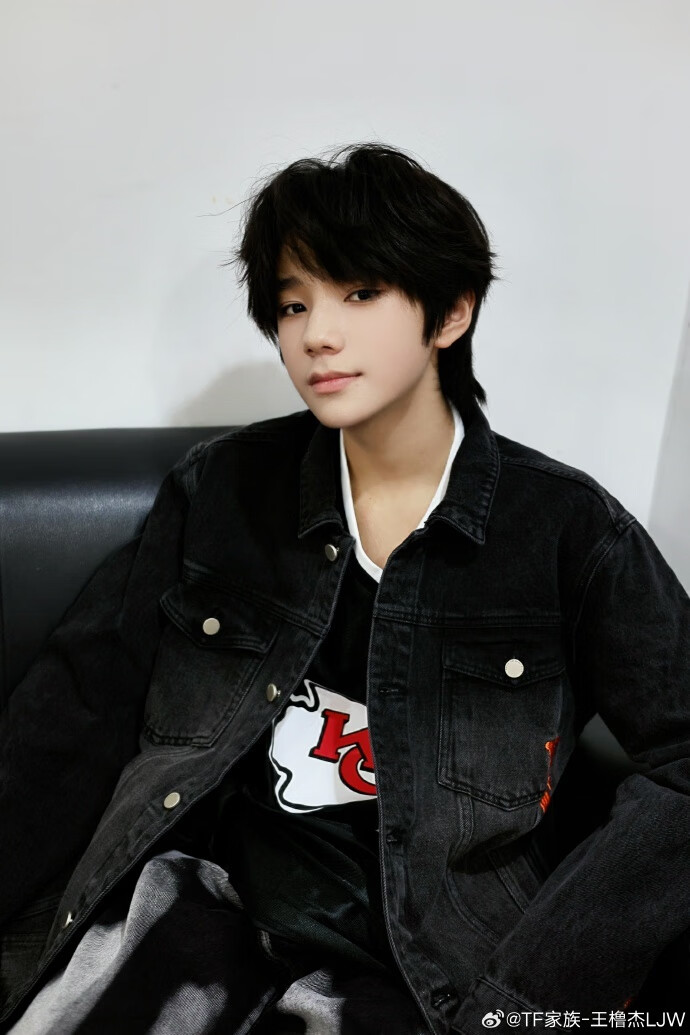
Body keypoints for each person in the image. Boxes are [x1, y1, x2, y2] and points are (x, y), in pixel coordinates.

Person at [1, 141, 689, 1034]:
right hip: (194, 909)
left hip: (427, 965)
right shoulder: (221, 490)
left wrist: (539, 993)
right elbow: (78, 706)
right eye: (294, 304)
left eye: (360, 293)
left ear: (451, 312)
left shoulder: (567, 531)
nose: (316, 334)